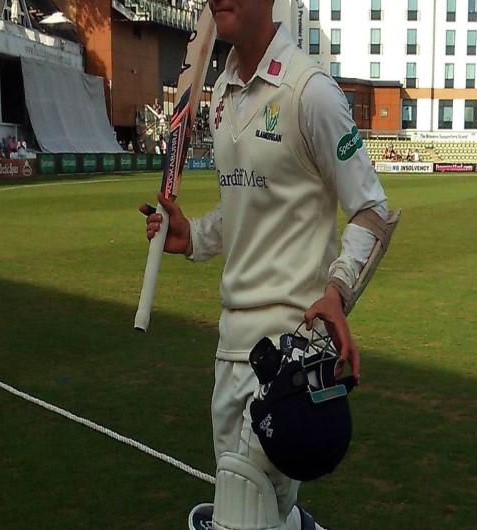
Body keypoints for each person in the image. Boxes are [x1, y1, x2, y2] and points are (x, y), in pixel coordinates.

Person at [140, 1, 389, 529]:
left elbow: (372, 210)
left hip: (287, 355)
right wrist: (193, 238)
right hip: (230, 345)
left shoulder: (311, 91)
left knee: (246, 516)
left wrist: (339, 291)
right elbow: (242, 213)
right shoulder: (221, 96)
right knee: (259, 515)